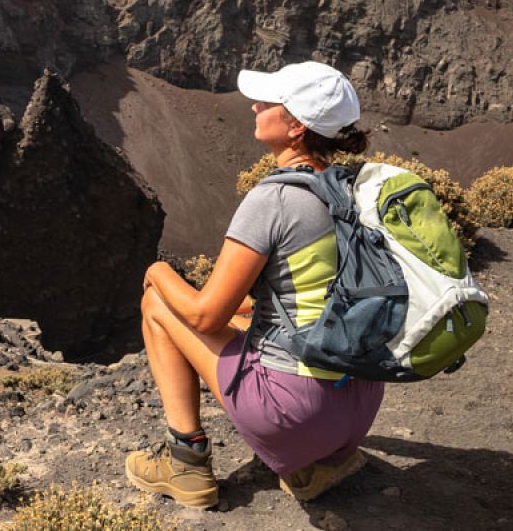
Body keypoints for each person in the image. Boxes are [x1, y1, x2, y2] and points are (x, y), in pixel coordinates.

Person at [125, 61, 384, 508]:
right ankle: (314, 465)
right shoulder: (351, 188)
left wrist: (157, 271)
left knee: (158, 303)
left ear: (296, 126)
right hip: (358, 406)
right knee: (248, 320)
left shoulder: (275, 198)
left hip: (299, 415)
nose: (254, 106)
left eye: (268, 101)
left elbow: (206, 316)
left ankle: (186, 463)